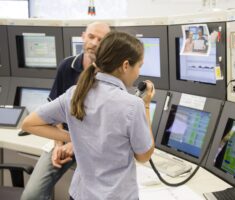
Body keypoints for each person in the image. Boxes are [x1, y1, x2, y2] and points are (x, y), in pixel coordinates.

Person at [22, 31, 155, 200]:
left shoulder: (75, 93)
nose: (138, 72)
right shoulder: (133, 105)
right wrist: (146, 104)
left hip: (79, 194)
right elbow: (144, 155)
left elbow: (29, 123)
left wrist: (74, 137)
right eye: (139, 66)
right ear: (126, 65)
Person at [21, 22, 111, 200]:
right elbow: (54, 113)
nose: (94, 42)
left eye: (101, 40)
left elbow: (108, 125)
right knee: (31, 195)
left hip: (96, 146)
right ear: (83, 36)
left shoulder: (111, 75)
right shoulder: (67, 66)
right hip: (65, 139)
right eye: (91, 36)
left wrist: (77, 143)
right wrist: (58, 145)